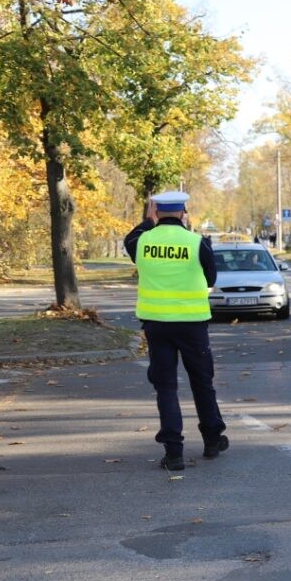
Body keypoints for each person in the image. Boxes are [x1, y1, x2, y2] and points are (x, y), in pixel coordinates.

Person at [124, 191, 229, 471]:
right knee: (202, 382)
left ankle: (174, 453)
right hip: (193, 325)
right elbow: (211, 278)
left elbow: (130, 237)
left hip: (156, 326)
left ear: (155, 213)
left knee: (166, 387)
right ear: (184, 214)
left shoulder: (141, 241)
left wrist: (148, 221)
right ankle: (211, 440)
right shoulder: (197, 243)